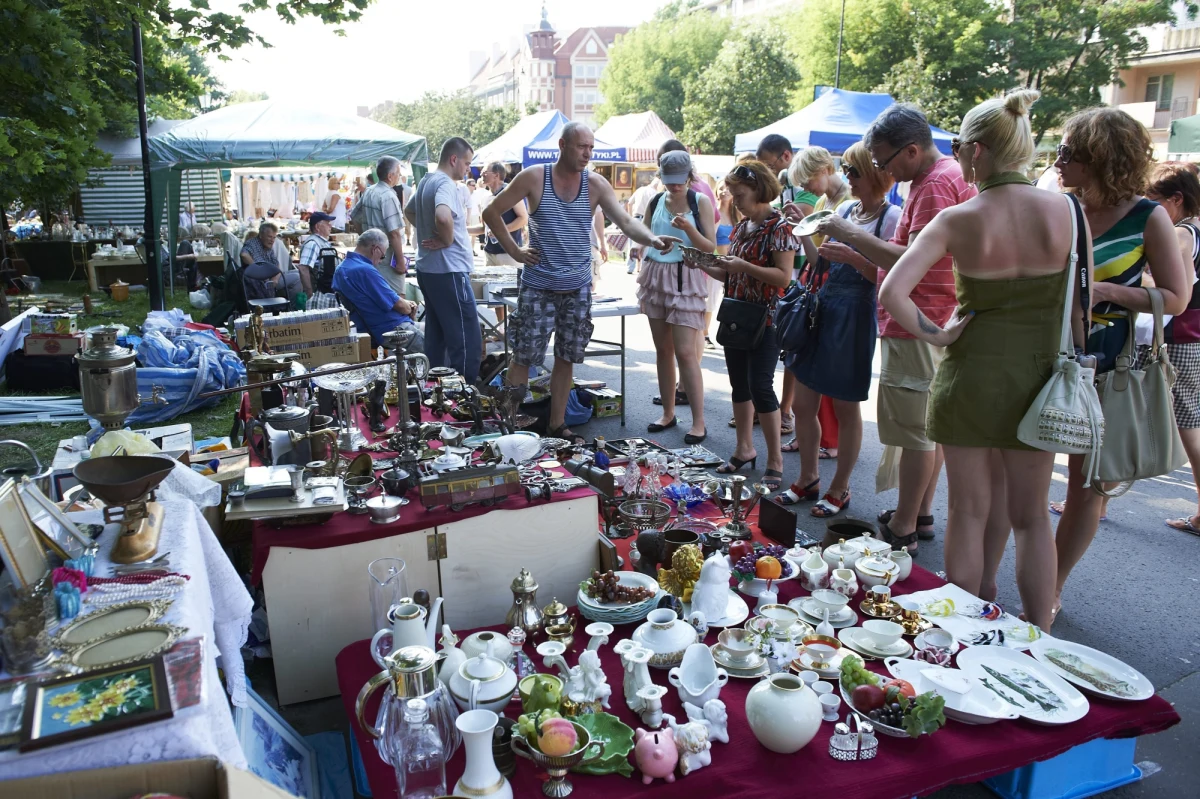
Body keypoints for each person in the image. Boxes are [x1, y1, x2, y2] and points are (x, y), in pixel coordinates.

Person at [877, 90, 1087, 630]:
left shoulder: (957, 218)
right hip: (1038, 380)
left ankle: (961, 633)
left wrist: (941, 335)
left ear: (977, 150)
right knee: (1031, 517)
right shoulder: (1069, 212)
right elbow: (1079, 310)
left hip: (968, 376)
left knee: (967, 511)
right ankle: (1040, 635)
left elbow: (893, 291)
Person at [811, 104, 976, 553]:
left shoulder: (935, 183)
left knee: (915, 431)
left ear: (911, 150)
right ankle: (918, 514)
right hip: (928, 318)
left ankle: (904, 525)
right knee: (926, 426)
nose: (882, 170)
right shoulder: (939, 177)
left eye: (883, 160)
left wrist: (849, 233)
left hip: (919, 319)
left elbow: (911, 260)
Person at [1051, 108, 1189, 618]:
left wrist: (1105, 291)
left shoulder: (1148, 217)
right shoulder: (1059, 206)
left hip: (1104, 365)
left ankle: (1051, 587)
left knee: (1088, 483)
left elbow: (1176, 298)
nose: (1058, 160)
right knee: (1023, 475)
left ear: (1101, 158)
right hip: (1042, 353)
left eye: (1068, 152)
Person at [482, 122, 676, 443]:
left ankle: (556, 425)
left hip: (578, 288)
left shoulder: (595, 183)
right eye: (581, 147)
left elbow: (625, 221)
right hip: (539, 286)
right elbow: (492, 213)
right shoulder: (534, 177)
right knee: (524, 357)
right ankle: (509, 426)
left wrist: (653, 240)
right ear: (562, 145)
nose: (587, 154)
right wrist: (515, 251)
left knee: (566, 358)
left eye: (591, 148)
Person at [781, 143, 901, 517]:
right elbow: (819, 263)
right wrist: (802, 232)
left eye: (853, 171)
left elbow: (894, 276)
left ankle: (840, 486)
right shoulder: (846, 209)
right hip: (823, 310)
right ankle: (808, 477)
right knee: (803, 405)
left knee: (847, 408)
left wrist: (854, 257)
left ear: (875, 173)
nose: (847, 176)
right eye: (845, 169)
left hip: (854, 316)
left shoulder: (891, 217)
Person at [685, 160, 800, 490]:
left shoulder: (779, 227)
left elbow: (783, 278)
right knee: (739, 385)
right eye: (733, 195)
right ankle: (744, 449)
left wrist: (744, 267)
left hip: (767, 318)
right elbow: (729, 273)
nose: (734, 201)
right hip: (737, 316)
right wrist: (699, 262)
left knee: (760, 386)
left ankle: (775, 460)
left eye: (740, 195)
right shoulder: (742, 227)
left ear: (759, 189)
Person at [637, 151, 717, 443]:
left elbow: (710, 247)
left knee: (685, 353)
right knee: (663, 350)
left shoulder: (700, 201)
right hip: (656, 276)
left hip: (686, 276)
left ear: (689, 175)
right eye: (669, 180)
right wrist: (654, 241)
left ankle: (699, 422)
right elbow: (642, 234)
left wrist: (689, 229)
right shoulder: (656, 200)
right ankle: (668, 413)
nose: (675, 186)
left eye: (680, 180)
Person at [782, 146, 853, 456]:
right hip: (820, 289)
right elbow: (816, 260)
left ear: (824, 170)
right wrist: (802, 228)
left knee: (826, 370)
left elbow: (826, 261)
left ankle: (830, 441)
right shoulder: (825, 202)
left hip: (836, 293)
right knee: (811, 369)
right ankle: (812, 436)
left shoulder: (848, 202)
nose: (805, 188)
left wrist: (803, 230)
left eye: (807, 180)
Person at [1146, 163, 1200, 538]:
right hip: (1188, 338)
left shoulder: (1182, 233)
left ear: (1176, 199)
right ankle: (1097, 501)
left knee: (1188, 427)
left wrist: (1133, 278)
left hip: (1179, 338)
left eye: (1155, 201)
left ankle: (1095, 502)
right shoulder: (1193, 229)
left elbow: (1176, 291)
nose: (1150, 209)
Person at [402, 137, 483, 383]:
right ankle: (465, 392)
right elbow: (443, 216)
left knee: (436, 338)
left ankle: (435, 390)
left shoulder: (427, 180)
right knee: (466, 340)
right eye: (467, 163)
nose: (468, 169)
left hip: (431, 269)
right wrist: (445, 239)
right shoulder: (445, 184)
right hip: (449, 270)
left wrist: (429, 232)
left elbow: (409, 211)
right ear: (453, 159)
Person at [758, 134, 816, 438]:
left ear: (786, 157)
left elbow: (796, 225)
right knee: (769, 341)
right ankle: (765, 405)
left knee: (791, 343)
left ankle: (785, 409)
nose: (767, 171)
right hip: (782, 275)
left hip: (799, 277)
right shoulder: (780, 191)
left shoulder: (806, 192)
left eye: (769, 165)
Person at [331, 228, 422, 350]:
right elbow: (402, 307)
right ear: (375, 249)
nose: (379, 262)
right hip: (390, 330)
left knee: (433, 329)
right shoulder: (365, 270)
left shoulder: (341, 268)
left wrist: (405, 304)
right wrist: (410, 306)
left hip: (372, 327)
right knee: (440, 342)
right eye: (382, 256)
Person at [351, 156, 407, 295]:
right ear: (390, 176)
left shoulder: (369, 191)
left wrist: (366, 238)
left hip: (372, 254)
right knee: (397, 297)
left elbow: (354, 216)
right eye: (398, 173)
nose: (399, 176)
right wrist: (400, 261)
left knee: (377, 295)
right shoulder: (388, 196)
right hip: (387, 256)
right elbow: (394, 233)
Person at [477, 162, 528, 266]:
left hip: (509, 253)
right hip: (489, 253)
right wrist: (461, 229)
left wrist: (499, 231)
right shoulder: (484, 197)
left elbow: (523, 218)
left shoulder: (510, 192)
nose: (481, 174)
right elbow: (484, 228)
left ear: (496, 175)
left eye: (485, 172)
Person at [708, 178, 739, 349]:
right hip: (717, 262)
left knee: (729, 300)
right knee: (711, 301)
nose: (724, 191)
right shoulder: (714, 214)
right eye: (720, 188)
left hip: (733, 264)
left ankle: (729, 332)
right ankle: (705, 334)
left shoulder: (737, 215)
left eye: (727, 188)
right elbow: (709, 238)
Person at [298, 211, 337, 296]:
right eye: (327, 223)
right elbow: (303, 268)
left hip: (328, 290)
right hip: (320, 294)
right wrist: (310, 294)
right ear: (317, 227)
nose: (330, 226)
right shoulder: (313, 244)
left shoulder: (321, 242)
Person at [626, 178, 659, 275]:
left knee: (633, 244)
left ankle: (630, 267)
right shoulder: (655, 193)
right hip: (647, 220)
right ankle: (643, 269)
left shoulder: (639, 190)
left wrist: (630, 217)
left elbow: (629, 203)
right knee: (646, 244)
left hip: (636, 218)